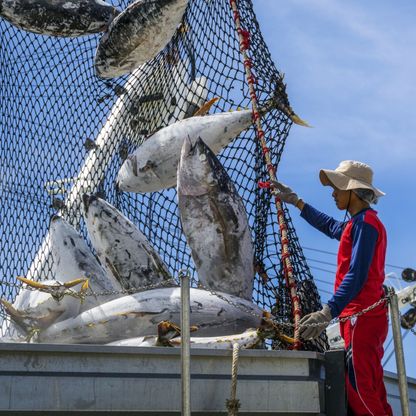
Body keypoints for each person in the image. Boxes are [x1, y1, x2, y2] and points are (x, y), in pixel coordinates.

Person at [273, 160, 393, 416]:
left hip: (361, 316)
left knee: (358, 389)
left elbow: (357, 274)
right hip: (363, 317)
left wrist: (328, 311)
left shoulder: (365, 225)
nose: (333, 193)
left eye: (338, 187)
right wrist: (297, 201)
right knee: (372, 386)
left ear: (353, 191)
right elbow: (330, 226)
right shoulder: (359, 223)